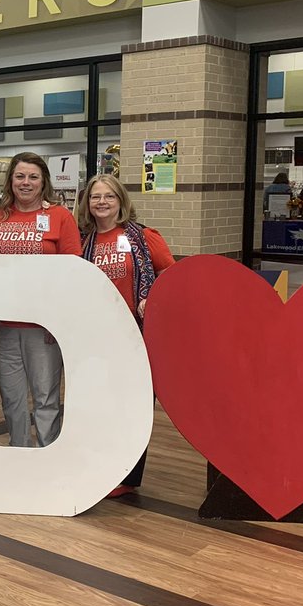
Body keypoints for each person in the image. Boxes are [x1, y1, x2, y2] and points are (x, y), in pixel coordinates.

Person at [77, 174, 175, 496]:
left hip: (139, 335)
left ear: (121, 201)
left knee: (136, 406)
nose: (102, 202)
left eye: (109, 196)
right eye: (95, 197)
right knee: (104, 405)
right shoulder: (83, 243)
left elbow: (171, 276)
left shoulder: (144, 237)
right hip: (100, 335)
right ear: (87, 203)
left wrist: (154, 298)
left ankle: (129, 477)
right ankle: (107, 466)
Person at [0, 152, 80, 449]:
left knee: (45, 396)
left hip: (42, 326)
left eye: (33, 177)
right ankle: (19, 453)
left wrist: (59, 322)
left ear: (43, 182)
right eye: (20, 176)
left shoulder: (59, 217)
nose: (26, 183)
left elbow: (71, 271)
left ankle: (48, 456)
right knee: (11, 397)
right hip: (2, 325)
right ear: (10, 180)